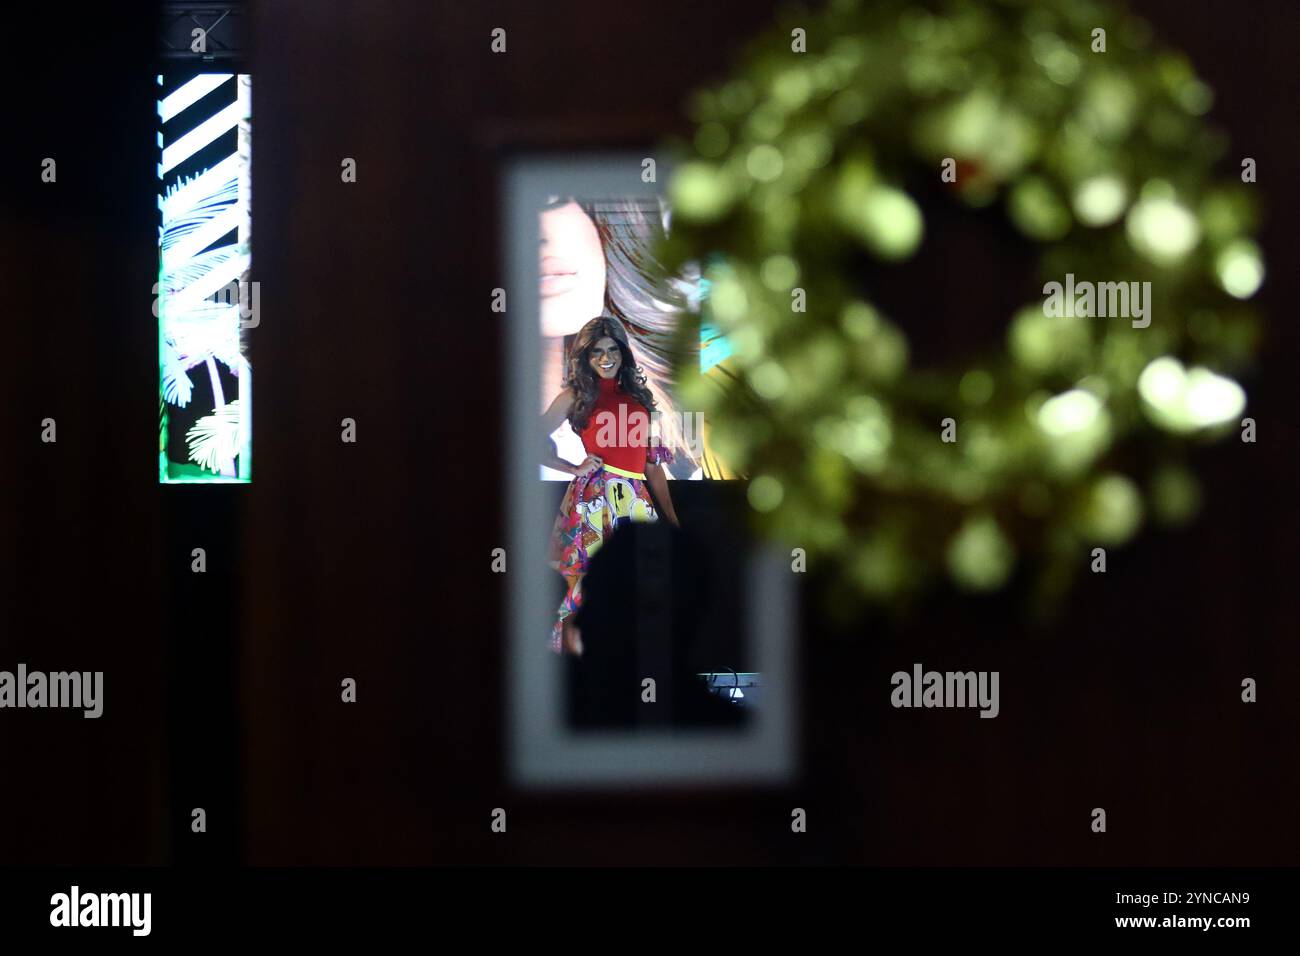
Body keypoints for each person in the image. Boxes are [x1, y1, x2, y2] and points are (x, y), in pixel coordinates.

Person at [542, 316, 680, 654]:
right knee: (583, 584)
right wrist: (572, 467)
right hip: (594, 500)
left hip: (636, 501)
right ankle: (573, 665)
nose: (606, 358)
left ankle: (632, 664)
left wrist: (672, 519)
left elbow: (652, 466)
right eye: (597, 352)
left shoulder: (641, 398)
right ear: (586, 357)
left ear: (623, 352)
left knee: (639, 584)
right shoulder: (576, 394)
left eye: (613, 349)